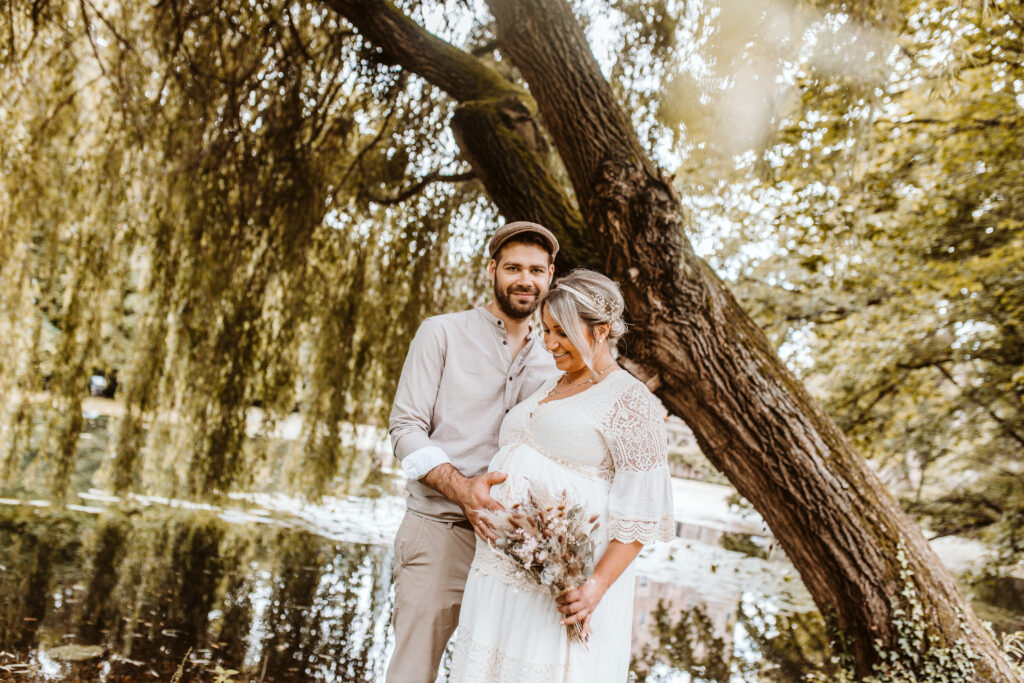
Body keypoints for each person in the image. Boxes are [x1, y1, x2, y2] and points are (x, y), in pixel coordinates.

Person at [448, 269, 675, 682]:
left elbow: (641, 513)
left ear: (602, 331)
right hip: (500, 573)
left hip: (560, 586)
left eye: (562, 333)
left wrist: (595, 589)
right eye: (546, 329)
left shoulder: (631, 401)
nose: (549, 343)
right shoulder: (552, 383)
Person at [386, 221, 560, 682]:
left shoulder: (558, 360)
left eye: (537, 270)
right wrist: (461, 488)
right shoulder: (441, 334)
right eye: (514, 268)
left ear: (550, 277)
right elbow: (405, 428)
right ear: (492, 271)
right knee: (413, 671)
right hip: (439, 530)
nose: (525, 279)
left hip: (516, 550)